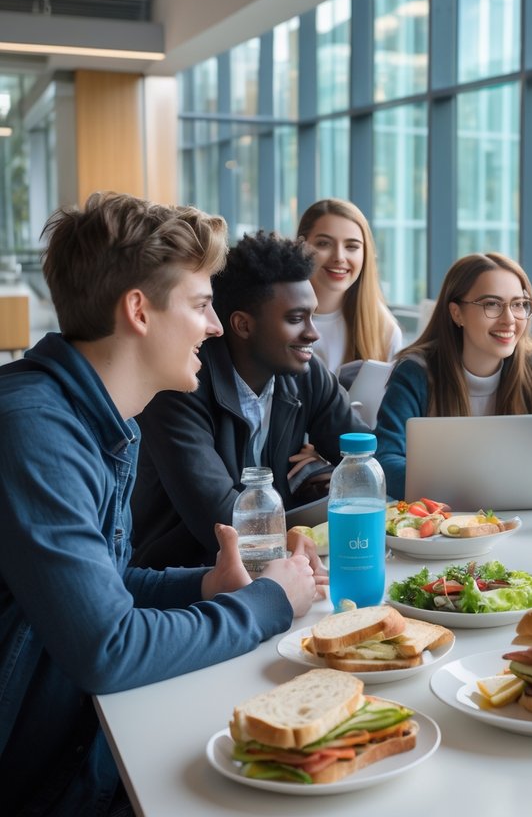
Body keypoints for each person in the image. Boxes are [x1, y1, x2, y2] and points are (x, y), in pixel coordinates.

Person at [0, 193, 321, 815]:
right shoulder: (35, 430)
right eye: (202, 305)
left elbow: (108, 586)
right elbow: (107, 649)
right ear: (139, 311)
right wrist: (268, 601)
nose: (217, 325)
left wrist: (204, 586)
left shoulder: (92, 417)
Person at [132, 230, 368, 569]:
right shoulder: (180, 388)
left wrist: (337, 471)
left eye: (312, 316)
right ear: (243, 325)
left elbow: (363, 452)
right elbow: (221, 520)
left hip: (275, 562)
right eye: (295, 318)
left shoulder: (306, 374)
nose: (313, 333)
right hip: (187, 582)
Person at [375, 252, 532, 496]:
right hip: (442, 521)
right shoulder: (416, 373)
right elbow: (386, 460)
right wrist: (466, 491)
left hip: (527, 517)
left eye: (518, 304)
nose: (509, 319)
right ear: (456, 313)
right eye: (491, 304)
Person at [297, 198, 404, 375]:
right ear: (301, 246)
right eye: (324, 243)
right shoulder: (276, 320)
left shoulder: (384, 330)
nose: (339, 257)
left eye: (352, 246)